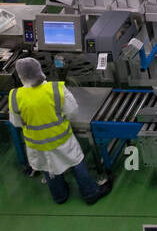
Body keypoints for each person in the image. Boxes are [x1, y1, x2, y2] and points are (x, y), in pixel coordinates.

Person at [9, 56, 111, 205]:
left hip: (36, 144)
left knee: (48, 167)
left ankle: (60, 196)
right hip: (61, 139)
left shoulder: (15, 96)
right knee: (76, 163)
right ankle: (90, 193)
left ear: (20, 76)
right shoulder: (56, 88)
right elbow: (72, 111)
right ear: (39, 70)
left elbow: (16, 123)